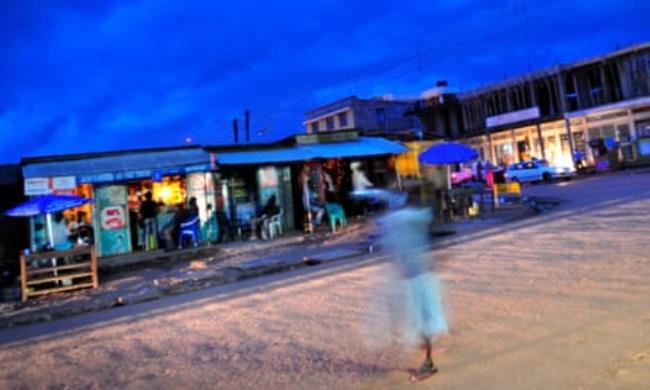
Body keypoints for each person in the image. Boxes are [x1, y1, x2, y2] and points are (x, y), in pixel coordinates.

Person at [375, 192, 448, 383]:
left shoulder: (397, 220)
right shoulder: (414, 218)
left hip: (416, 275)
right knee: (420, 319)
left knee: (420, 320)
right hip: (419, 274)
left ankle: (427, 362)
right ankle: (426, 354)